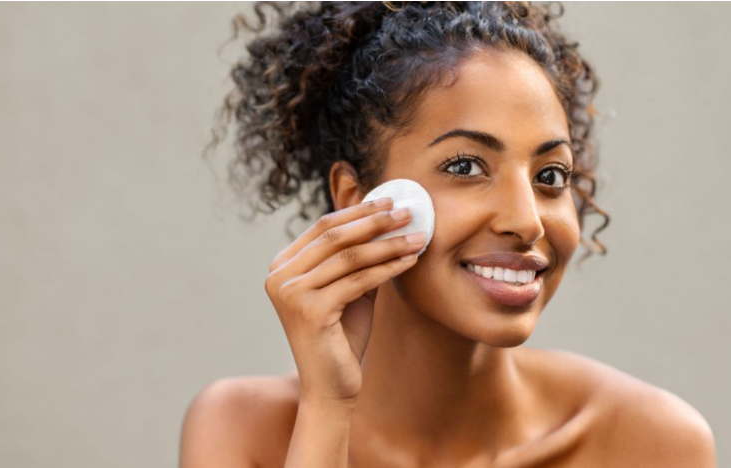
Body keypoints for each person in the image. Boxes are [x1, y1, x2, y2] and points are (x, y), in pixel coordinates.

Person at [180, 2, 717, 467]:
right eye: (465, 166)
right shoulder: (241, 432)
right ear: (354, 198)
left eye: (550, 176)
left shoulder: (652, 445)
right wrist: (327, 408)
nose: (527, 220)